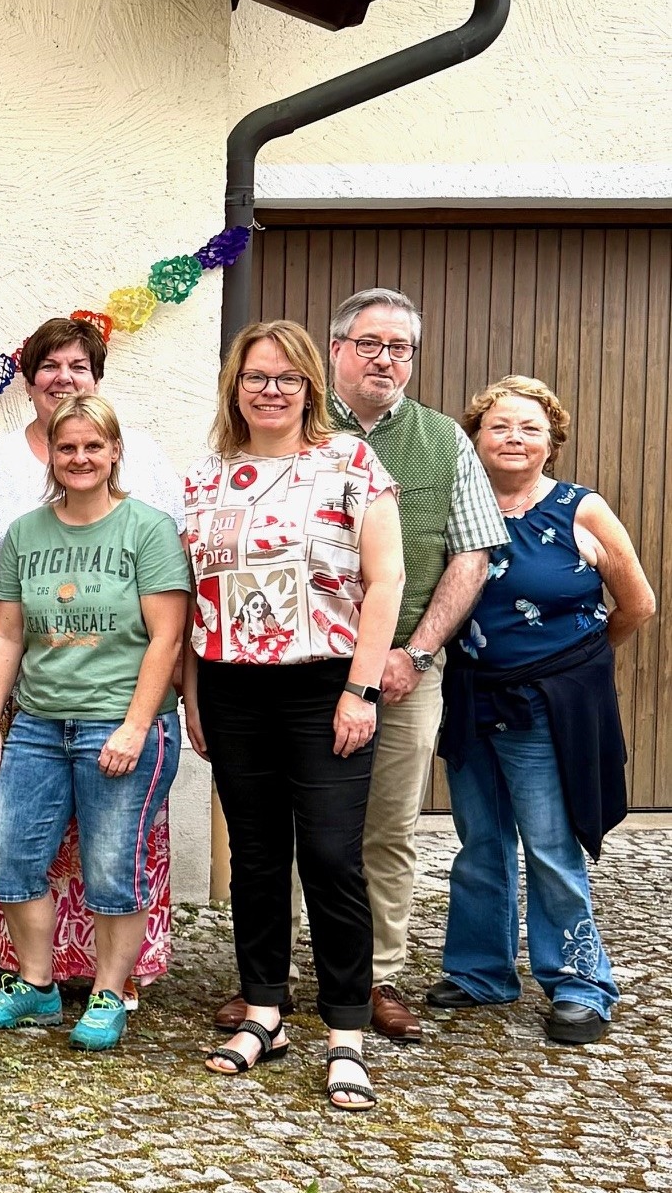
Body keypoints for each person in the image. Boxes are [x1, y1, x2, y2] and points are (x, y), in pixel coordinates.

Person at [212, 289, 504, 1043]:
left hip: (403, 662)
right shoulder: (276, 437)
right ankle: (274, 985)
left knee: (378, 831)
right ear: (334, 350)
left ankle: (373, 978)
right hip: (289, 673)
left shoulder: (442, 439)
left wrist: (413, 653)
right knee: (285, 839)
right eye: (370, 343)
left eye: (400, 347)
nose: (385, 359)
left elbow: (470, 554)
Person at [182, 320, 403, 1112]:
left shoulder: (349, 462)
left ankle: (345, 1030)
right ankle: (265, 1011)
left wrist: (362, 689)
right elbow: (191, 596)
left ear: (311, 386)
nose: (269, 389)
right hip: (233, 688)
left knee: (335, 859)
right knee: (258, 855)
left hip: (325, 687)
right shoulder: (208, 476)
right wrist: (192, 693)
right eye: (255, 376)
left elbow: (386, 582)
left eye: (286, 377)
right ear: (234, 384)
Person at [0, 316, 183, 1003]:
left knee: (114, 850)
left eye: (77, 365)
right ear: (29, 381)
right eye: (49, 365)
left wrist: (150, 714)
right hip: (27, 700)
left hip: (119, 704)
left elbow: (169, 618)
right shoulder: (2, 478)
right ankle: (32, 972)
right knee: (15, 845)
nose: (63, 377)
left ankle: (115, 983)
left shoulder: (146, 496)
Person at [430, 375, 655, 1043]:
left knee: (551, 846)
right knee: (480, 842)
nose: (514, 438)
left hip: (544, 706)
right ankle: (481, 971)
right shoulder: (456, 507)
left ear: (551, 442)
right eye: (499, 426)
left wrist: (578, 665)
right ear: (475, 438)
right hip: (470, 697)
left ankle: (581, 983)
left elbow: (637, 602)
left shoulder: (580, 509)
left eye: (529, 427)